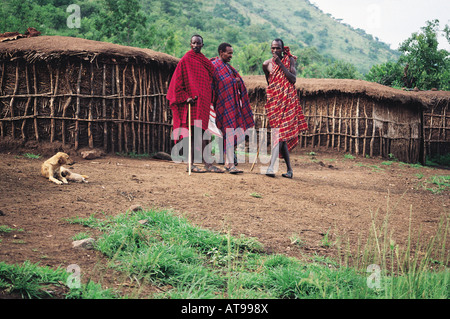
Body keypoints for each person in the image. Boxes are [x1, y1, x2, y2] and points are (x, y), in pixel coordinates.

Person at [167, 35, 224, 173]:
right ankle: (190, 164)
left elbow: (211, 76)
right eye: (194, 43)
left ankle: (208, 164)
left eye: (198, 43)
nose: (196, 45)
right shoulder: (186, 60)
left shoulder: (204, 61)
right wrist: (185, 97)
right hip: (192, 104)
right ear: (190, 44)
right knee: (192, 134)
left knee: (204, 133)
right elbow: (177, 82)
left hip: (203, 103)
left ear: (202, 45)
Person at [262, 38, 308, 178]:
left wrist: (281, 64)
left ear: (282, 49)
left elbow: (293, 79)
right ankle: (289, 170)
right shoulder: (266, 64)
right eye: (273, 48)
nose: (275, 50)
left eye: (278, 48)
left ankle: (271, 167)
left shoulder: (290, 61)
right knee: (281, 135)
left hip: (288, 102)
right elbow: (270, 83)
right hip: (276, 103)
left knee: (280, 134)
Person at [211, 43, 255, 174]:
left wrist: (235, 82)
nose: (231, 56)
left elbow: (233, 82)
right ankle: (229, 164)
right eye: (229, 53)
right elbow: (213, 85)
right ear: (221, 52)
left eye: (231, 53)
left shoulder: (228, 68)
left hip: (231, 106)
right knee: (228, 133)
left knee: (232, 133)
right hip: (220, 106)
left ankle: (228, 162)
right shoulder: (214, 67)